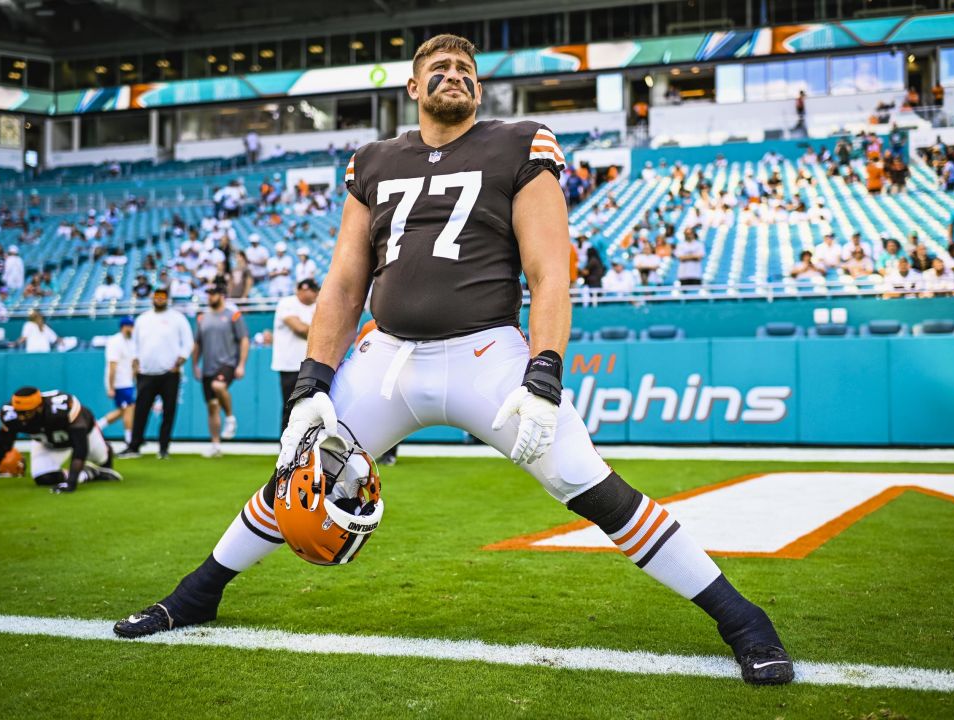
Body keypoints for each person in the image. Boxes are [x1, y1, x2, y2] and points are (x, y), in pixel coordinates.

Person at [112, 34, 795, 685]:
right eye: (439, 67)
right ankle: (196, 595)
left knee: (589, 483)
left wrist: (545, 371)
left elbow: (549, 271)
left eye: (467, 70)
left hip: (485, 353)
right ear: (412, 86)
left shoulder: (519, 144)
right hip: (386, 356)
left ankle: (745, 621)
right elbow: (346, 279)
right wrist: (311, 385)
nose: (454, 75)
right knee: (298, 478)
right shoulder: (373, 159)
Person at [0, 387, 121, 494]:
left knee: (103, 459)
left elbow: (80, 446)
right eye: (18, 412)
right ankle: (92, 473)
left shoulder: (61, 407)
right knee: (42, 478)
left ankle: (104, 454)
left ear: (39, 408)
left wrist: (71, 482)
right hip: (47, 442)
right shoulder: (11, 415)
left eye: (27, 413)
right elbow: (0, 447)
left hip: (84, 435)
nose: (22, 417)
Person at [119, 288, 194, 460]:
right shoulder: (143, 319)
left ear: (167, 299)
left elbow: (188, 342)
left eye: (163, 297)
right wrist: (135, 362)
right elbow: (134, 344)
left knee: (169, 412)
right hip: (146, 373)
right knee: (141, 411)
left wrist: (179, 362)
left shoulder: (177, 318)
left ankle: (163, 448)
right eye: (157, 297)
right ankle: (134, 446)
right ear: (152, 298)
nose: (159, 300)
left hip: (169, 373)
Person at [193, 284, 250, 458]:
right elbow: (197, 344)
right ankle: (215, 444)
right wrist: (195, 365)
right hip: (208, 367)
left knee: (218, 386)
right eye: (208, 293)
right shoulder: (203, 318)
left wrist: (241, 364)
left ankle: (231, 418)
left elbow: (244, 340)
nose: (210, 296)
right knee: (212, 406)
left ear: (222, 295)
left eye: (213, 293)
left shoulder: (233, 315)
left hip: (227, 363)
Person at [272, 279, 319, 430]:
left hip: (313, 365)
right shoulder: (287, 303)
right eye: (312, 290)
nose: (315, 294)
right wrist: (322, 331)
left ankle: (306, 447)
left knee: (313, 409)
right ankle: (286, 449)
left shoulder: (317, 306)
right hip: (290, 365)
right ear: (302, 290)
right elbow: (299, 329)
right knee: (290, 407)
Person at [96, 317, 136, 446]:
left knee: (124, 410)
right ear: (123, 327)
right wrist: (111, 387)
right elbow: (112, 365)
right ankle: (130, 439)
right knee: (128, 409)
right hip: (120, 383)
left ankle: (97, 426)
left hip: (128, 382)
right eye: (129, 326)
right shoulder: (115, 341)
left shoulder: (131, 342)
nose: (131, 329)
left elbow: (134, 362)